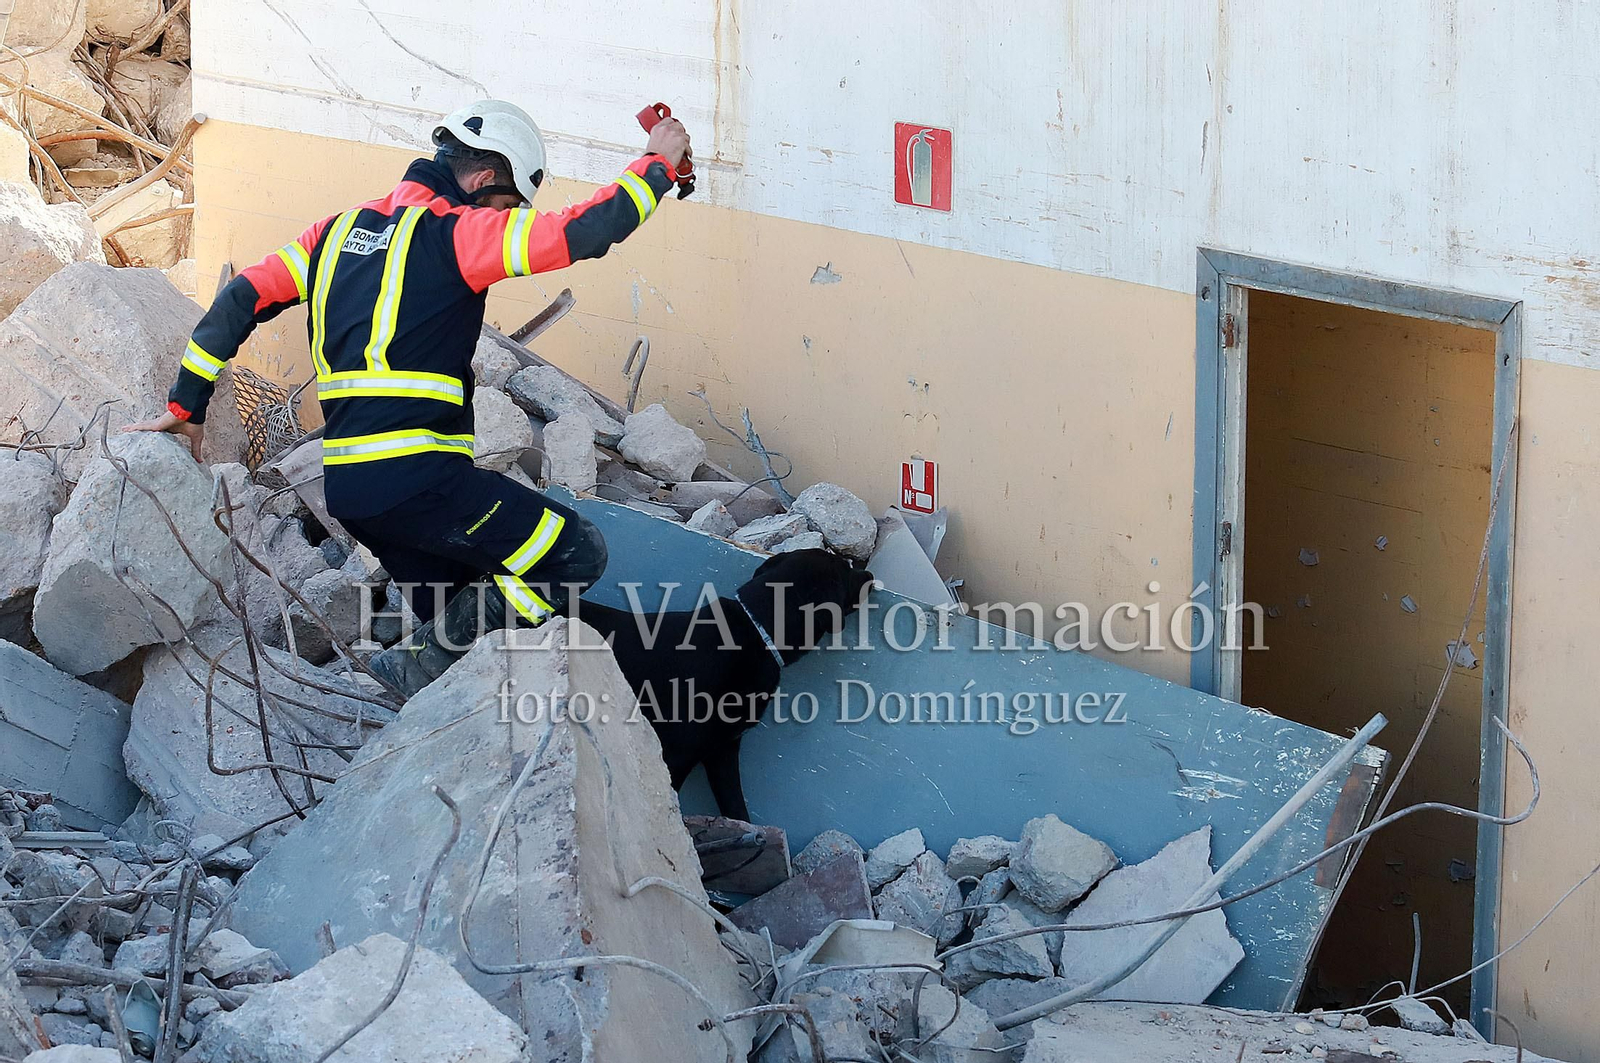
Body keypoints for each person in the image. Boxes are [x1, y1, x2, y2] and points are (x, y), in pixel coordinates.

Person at [129, 99, 692, 696]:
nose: (506, 220)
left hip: (349, 488)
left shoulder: (333, 234)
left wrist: (186, 404)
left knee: (467, 622)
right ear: (483, 179)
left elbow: (239, 299)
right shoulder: (458, 233)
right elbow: (585, 229)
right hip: (419, 479)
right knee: (574, 553)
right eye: (506, 206)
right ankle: (405, 674)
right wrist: (657, 162)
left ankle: (443, 716)